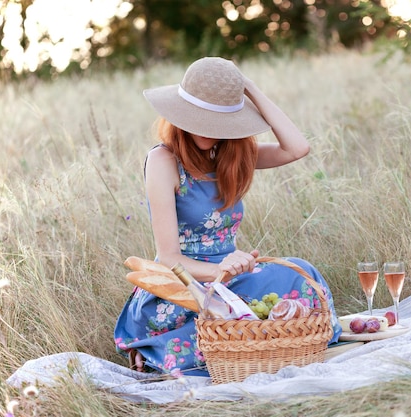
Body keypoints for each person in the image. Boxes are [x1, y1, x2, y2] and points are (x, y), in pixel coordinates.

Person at [113, 57, 342, 377]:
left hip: (234, 275)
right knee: (221, 323)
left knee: (302, 274)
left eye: (218, 122)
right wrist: (219, 269)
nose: (209, 131)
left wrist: (250, 90)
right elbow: (168, 259)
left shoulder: (231, 154)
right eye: (200, 119)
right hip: (185, 284)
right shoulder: (163, 160)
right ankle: (163, 348)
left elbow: (297, 148)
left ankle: (279, 345)